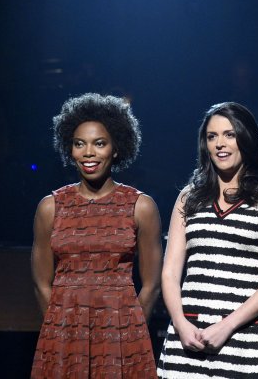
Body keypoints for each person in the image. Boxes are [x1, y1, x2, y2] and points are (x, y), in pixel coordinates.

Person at [157, 102, 258, 378]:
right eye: (212, 136)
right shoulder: (189, 197)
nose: (220, 144)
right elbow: (170, 272)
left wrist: (226, 326)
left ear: (246, 139)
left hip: (250, 340)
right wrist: (180, 323)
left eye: (229, 134)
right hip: (189, 339)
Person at [30, 93, 162, 378]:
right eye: (79, 144)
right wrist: (59, 327)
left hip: (123, 333)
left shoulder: (141, 206)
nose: (88, 152)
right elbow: (42, 283)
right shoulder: (50, 207)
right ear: (70, 149)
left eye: (99, 143)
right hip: (63, 332)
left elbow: (152, 284)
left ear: (116, 148)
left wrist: (131, 330)